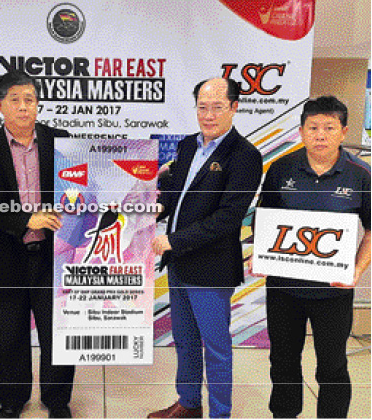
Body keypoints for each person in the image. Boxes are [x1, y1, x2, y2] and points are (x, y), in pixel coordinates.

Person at [0, 70, 75, 419]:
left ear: (38, 104)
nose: (24, 107)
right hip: (4, 256)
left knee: (58, 333)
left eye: (30, 100)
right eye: (16, 100)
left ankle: (57, 401)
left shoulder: (63, 141)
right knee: (9, 332)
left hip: (53, 257)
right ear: (1, 104)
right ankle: (12, 399)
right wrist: (25, 219)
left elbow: (81, 192)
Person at [150, 78, 263, 419]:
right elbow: (175, 194)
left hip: (210, 268)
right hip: (179, 264)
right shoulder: (187, 146)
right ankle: (188, 403)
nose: (209, 114)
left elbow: (228, 218)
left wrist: (173, 240)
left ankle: (220, 413)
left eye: (217, 106)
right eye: (202, 106)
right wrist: (157, 209)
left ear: (234, 107)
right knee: (184, 341)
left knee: (215, 348)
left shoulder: (244, 156)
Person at [257, 96, 371, 418]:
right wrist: (261, 257)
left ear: (343, 130)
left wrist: (357, 270)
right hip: (283, 289)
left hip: (333, 292)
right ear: (302, 131)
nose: (320, 135)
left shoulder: (360, 174)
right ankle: (284, 415)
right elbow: (267, 220)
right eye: (313, 127)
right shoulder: (281, 169)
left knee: (333, 366)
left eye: (329, 128)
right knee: (283, 363)